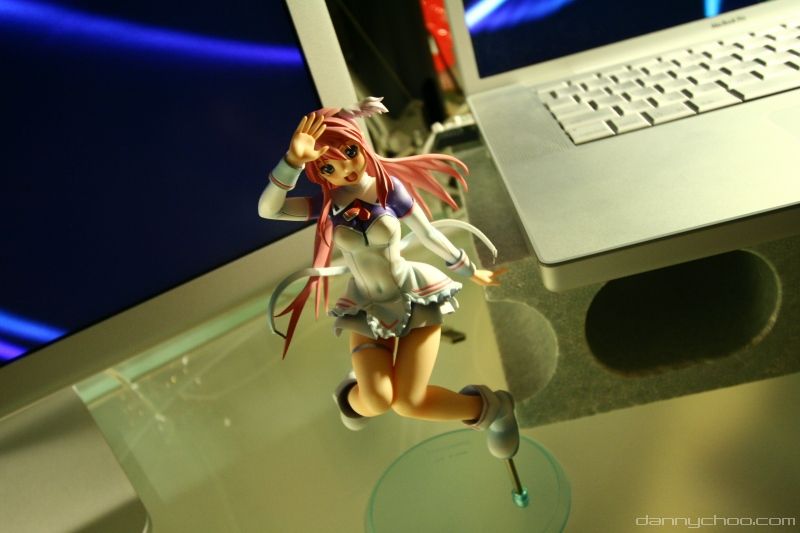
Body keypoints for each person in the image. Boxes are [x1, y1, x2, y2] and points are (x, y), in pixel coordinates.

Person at [258, 97, 518, 459]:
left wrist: (470, 270)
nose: (346, 168)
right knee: (377, 401)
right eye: (329, 166)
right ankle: (351, 396)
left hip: (415, 298)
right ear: (319, 172)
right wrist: (292, 163)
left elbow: (428, 234)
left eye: (350, 152)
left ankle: (495, 409)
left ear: (360, 144)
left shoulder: (388, 189)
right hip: (366, 309)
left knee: (409, 403)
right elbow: (269, 210)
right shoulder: (327, 205)